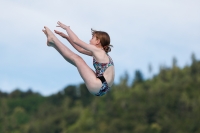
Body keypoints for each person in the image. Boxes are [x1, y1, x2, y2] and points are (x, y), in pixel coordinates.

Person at [42, 21, 115, 96]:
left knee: (77, 59)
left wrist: (67, 28)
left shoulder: (97, 50)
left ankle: (53, 40)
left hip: (98, 85)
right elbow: (80, 49)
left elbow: (76, 40)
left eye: (92, 38)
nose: (90, 40)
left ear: (98, 41)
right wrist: (67, 37)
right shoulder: (102, 54)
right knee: (77, 60)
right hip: (103, 87)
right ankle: (52, 43)